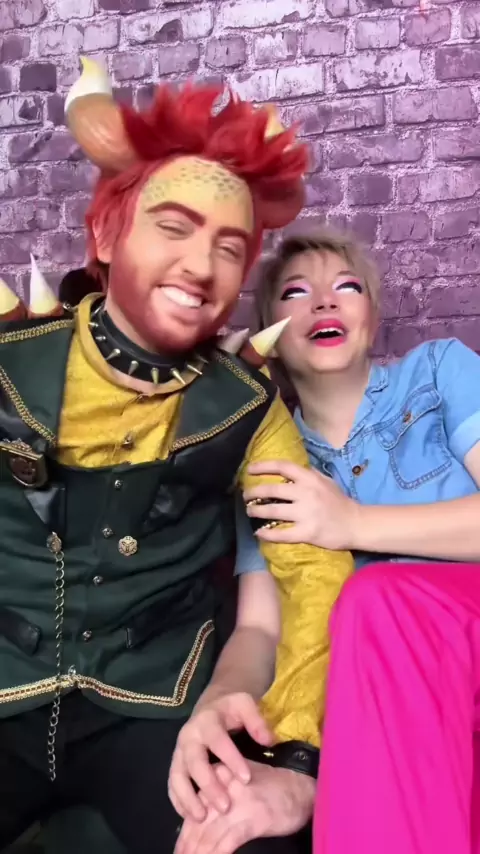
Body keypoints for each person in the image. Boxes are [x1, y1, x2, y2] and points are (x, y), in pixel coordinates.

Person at [0, 59, 353, 854]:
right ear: (105, 235)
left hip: (157, 709)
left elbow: (310, 574)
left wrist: (298, 758)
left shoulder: (251, 409)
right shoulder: (8, 364)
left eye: (230, 247)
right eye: (174, 228)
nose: (201, 267)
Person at [219, 224, 480, 854]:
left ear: (372, 317)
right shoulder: (267, 467)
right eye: (296, 293)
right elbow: (260, 628)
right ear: (268, 337)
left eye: (347, 287)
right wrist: (222, 698)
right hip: (390, 696)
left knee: (374, 597)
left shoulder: (439, 372)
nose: (323, 302)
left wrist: (354, 524)